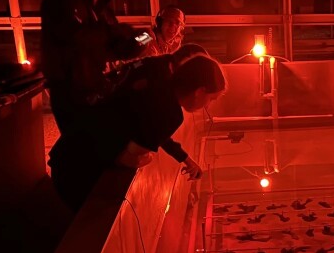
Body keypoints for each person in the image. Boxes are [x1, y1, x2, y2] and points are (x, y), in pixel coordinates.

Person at [49, 52, 226, 210]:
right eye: (211, 99)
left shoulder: (160, 82)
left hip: (67, 150)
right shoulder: (171, 114)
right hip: (77, 175)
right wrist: (146, 157)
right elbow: (130, 159)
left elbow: (152, 128)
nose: (207, 105)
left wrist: (186, 159)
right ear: (199, 91)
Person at [40, 0, 142, 134]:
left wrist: (142, 39)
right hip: (70, 92)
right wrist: (116, 31)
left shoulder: (102, 10)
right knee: (81, 145)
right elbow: (74, 37)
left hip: (95, 89)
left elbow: (114, 49)